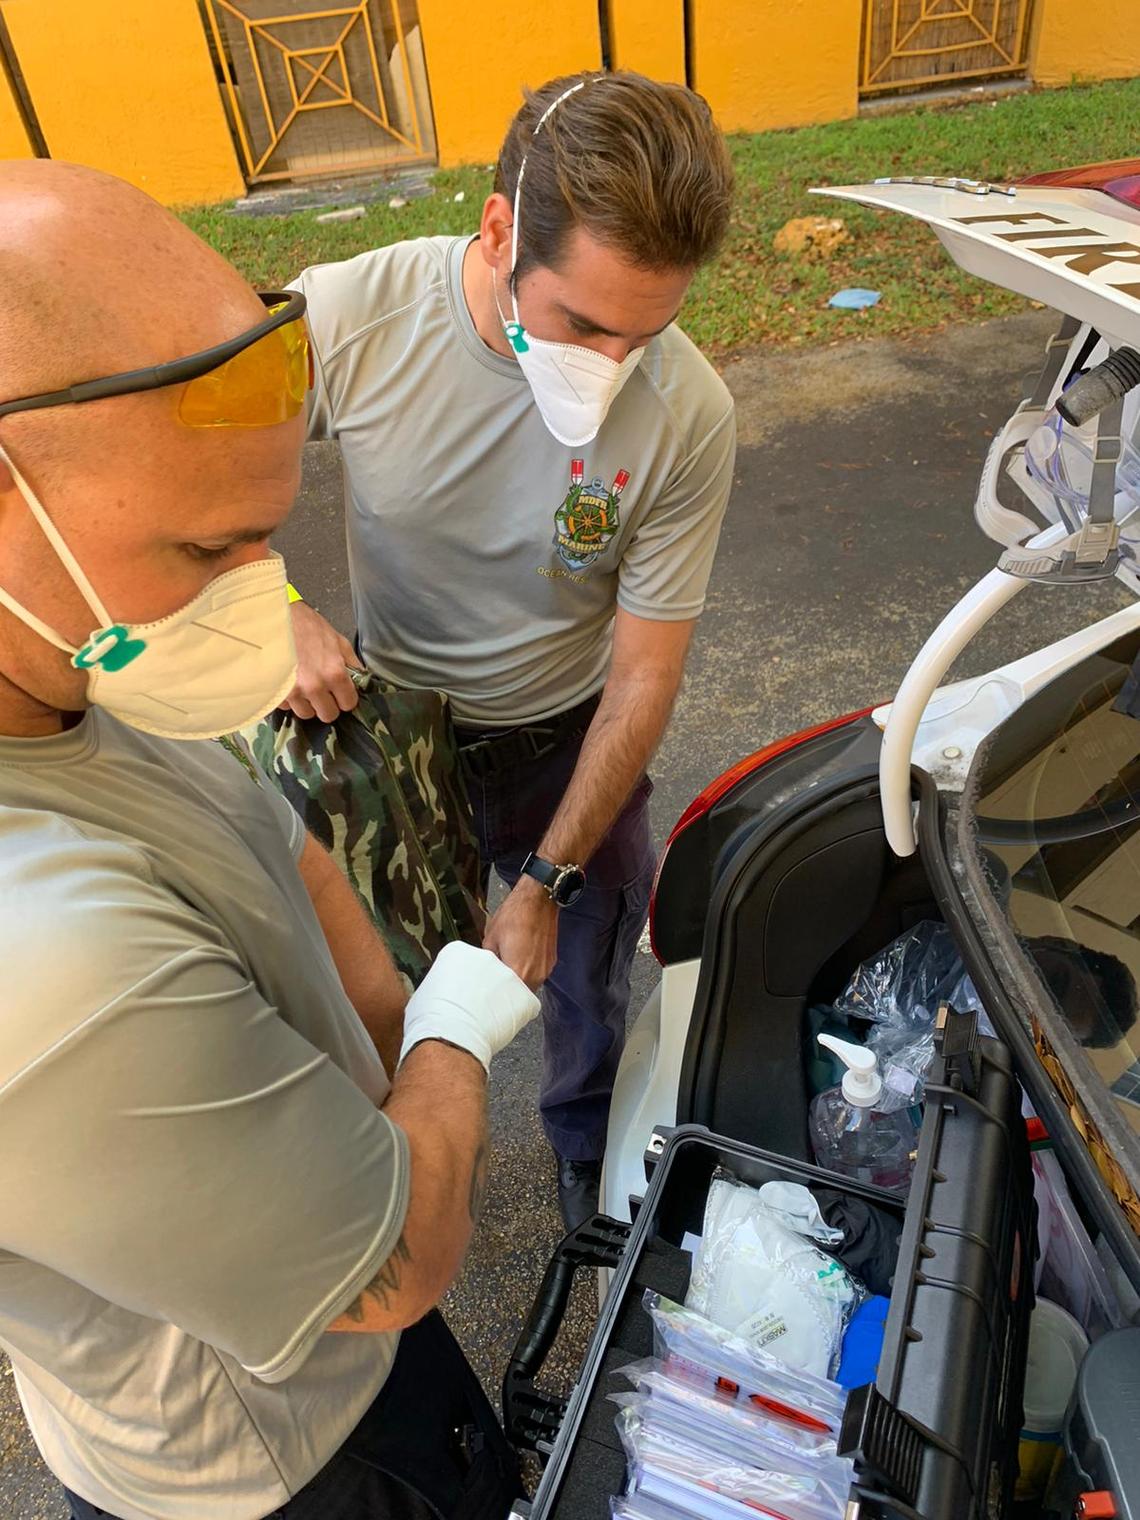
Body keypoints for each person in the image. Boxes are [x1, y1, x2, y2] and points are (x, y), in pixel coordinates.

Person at [0, 160, 539, 1520]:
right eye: (205, 552)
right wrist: (453, 1029)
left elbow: (263, 825)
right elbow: (394, 1268)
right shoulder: (46, 968)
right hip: (284, 1460)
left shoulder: (69, 657)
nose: (266, 596)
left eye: (272, 540)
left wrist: (385, 1027)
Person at [286, 70, 737, 1227]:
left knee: (584, 977)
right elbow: (167, 460)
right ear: (498, 231)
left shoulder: (688, 412)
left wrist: (546, 876)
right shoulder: (352, 317)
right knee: (392, 986)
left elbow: (645, 671)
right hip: (397, 740)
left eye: (647, 331)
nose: (615, 363)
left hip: (570, 743)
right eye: (585, 324)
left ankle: (586, 1143)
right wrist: (265, 601)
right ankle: (414, 1174)